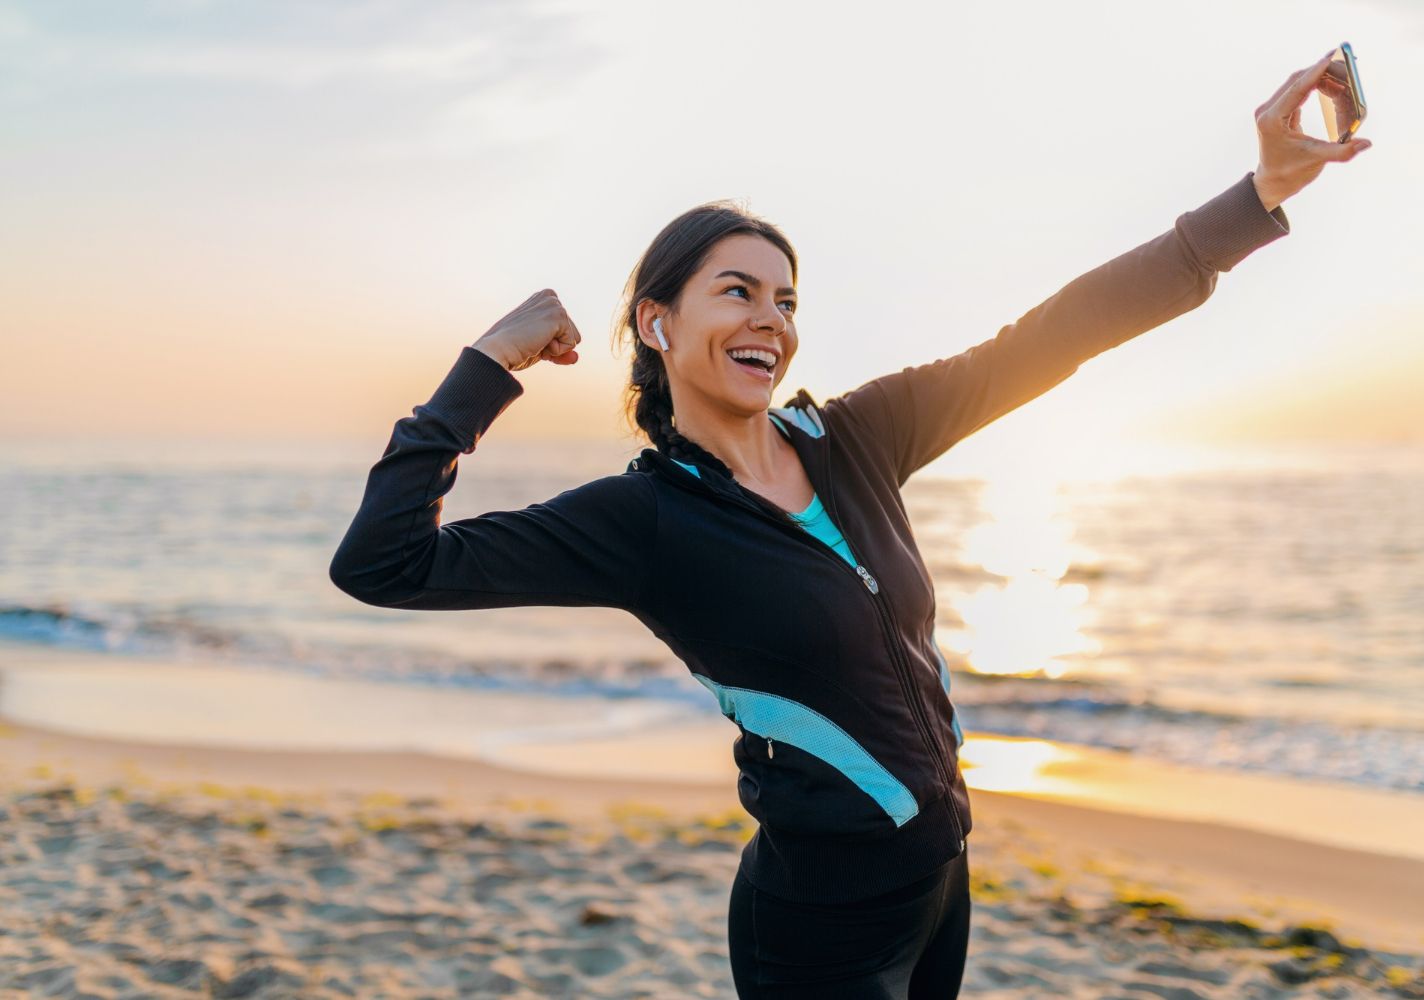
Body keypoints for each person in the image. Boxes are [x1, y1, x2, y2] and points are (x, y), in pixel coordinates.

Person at [328, 50, 1369, 1000]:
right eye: (735, 291)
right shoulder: (642, 519)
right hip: (818, 926)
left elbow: (1056, 335)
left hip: (941, 883)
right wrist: (485, 367)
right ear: (659, 322)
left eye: (785, 298)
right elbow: (384, 562)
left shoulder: (857, 438)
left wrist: (1261, 194)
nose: (770, 320)